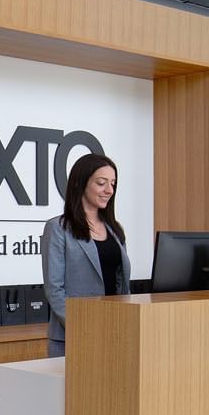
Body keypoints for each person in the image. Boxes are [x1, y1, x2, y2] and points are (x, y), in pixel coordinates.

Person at [42, 153, 130, 358]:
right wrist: (84, 329)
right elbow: (54, 290)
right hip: (74, 336)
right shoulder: (58, 228)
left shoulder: (115, 230)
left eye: (113, 184)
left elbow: (122, 286)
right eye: (101, 183)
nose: (109, 190)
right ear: (81, 183)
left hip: (114, 333)